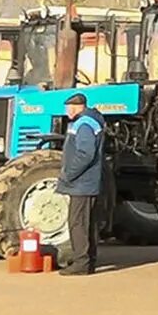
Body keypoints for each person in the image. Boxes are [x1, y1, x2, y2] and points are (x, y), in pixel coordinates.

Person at [56, 93, 105, 275]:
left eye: (68, 108)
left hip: (81, 182)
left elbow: (85, 154)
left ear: (76, 107)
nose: (66, 111)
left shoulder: (84, 124)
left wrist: (69, 174)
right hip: (88, 182)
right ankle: (88, 261)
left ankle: (81, 263)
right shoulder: (91, 121)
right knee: (88, 222)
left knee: (78, 223)